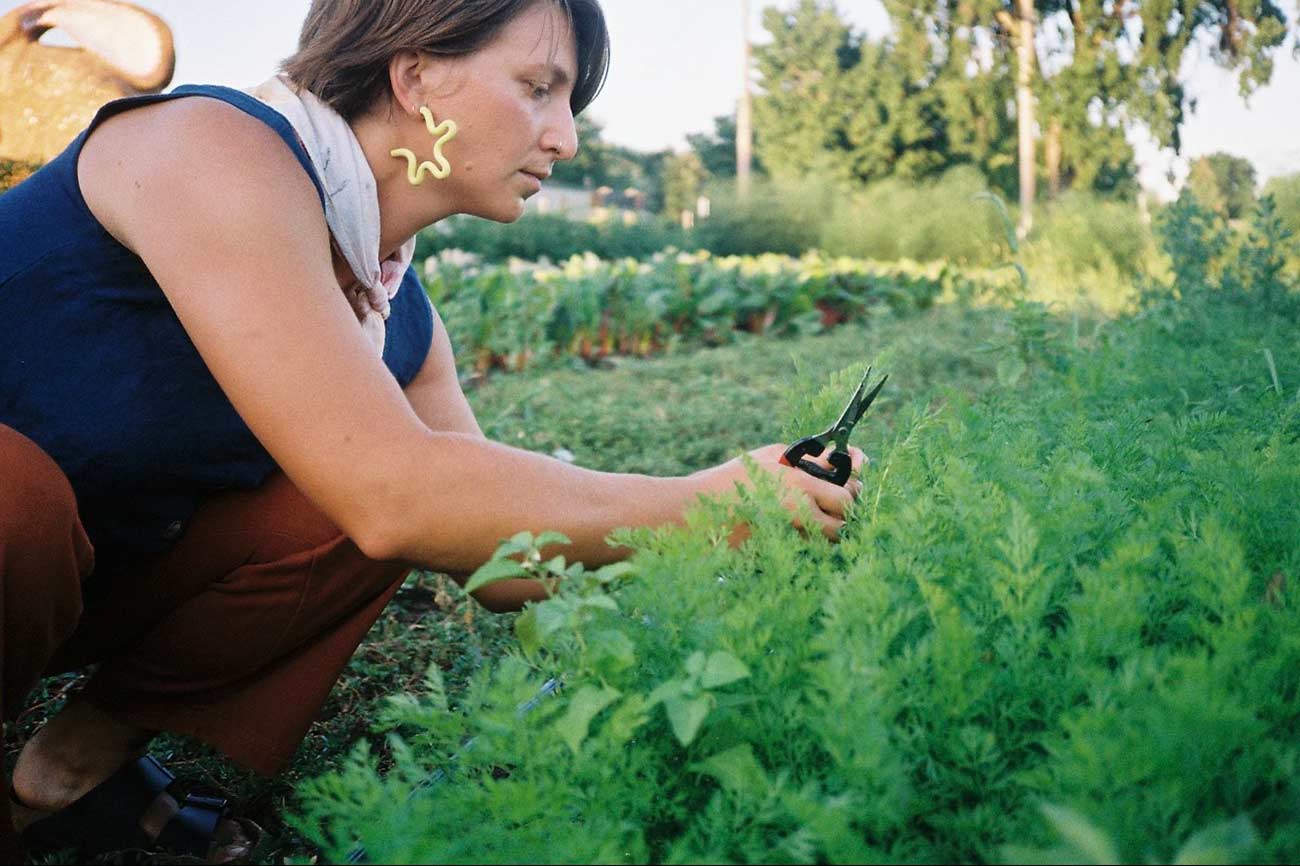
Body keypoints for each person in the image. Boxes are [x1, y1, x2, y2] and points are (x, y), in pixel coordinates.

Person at [0, 0, 865, 859]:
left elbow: (498, 560)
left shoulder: (398, 315)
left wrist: (722, 558)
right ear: (415, 76)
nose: (564, 139)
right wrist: (708, 499)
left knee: (364, 502)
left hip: (73, 582)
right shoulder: (206, 148)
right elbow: (398, 493)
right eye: (537, 88)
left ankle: (70, 777)